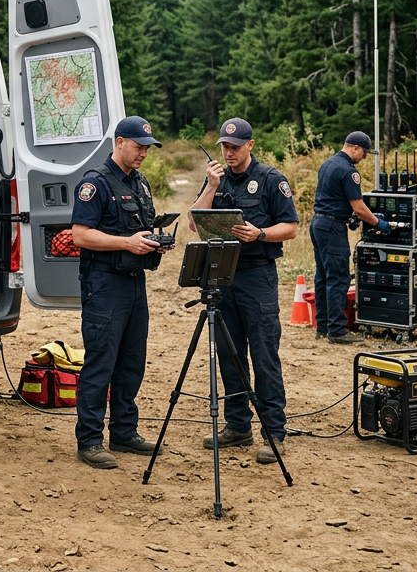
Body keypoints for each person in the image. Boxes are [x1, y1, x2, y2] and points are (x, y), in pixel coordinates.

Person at [188, 117, 298, 464]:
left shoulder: (270, 180)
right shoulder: (215, 182)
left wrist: (261, 234)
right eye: (224, 146)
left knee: (264, 354)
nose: (229, 152)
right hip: (223, 275)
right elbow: (194, 221)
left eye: (235, 147)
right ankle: (238, 425)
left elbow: (291, 227)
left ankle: (273, 431)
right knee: (228, 352)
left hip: (257, 276)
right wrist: (209, 186)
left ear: (251, 145)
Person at [70, 116, 173, 470]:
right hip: (104, 284)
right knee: (101, 361)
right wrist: (126, 243)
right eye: (139, 146)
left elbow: (140, 229)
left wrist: (153, 243)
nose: (144, 152)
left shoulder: (140, 183)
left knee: (132, 362)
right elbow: (80, 235)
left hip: (133, 282)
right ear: (119, 142)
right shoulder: (95, 183)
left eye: (147, 147)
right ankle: (90, 439)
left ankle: (124, 431)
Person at [311, 131, 389, 344]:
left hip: (318, 223)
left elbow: (334, 198)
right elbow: (359, 207)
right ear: (355, 148)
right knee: (338, 277)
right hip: (332, 227)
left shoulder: (327, 163)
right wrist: (379, 224)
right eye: (364, 153)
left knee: (323, 276)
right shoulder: (348, 171)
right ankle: (337, 330)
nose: (363, 158)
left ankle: (323, 326)